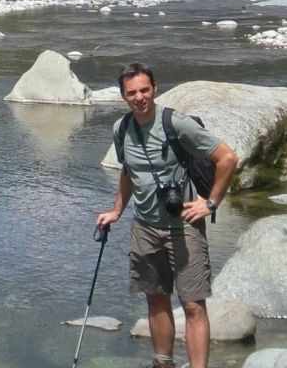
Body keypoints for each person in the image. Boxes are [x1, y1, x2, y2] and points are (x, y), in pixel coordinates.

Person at [96, 63, 240, 368]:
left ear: (155, 89)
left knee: (193, 306)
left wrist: (211, 203)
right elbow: (127, 172)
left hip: (184, 227)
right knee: (156, 299)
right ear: (123, 96)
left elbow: (227, 158)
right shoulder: (121, 129)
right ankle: (163, 364)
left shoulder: (177, 123)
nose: (139, 97)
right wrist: (116, 210)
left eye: (145, 90)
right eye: (132, 92)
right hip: (145, 228)